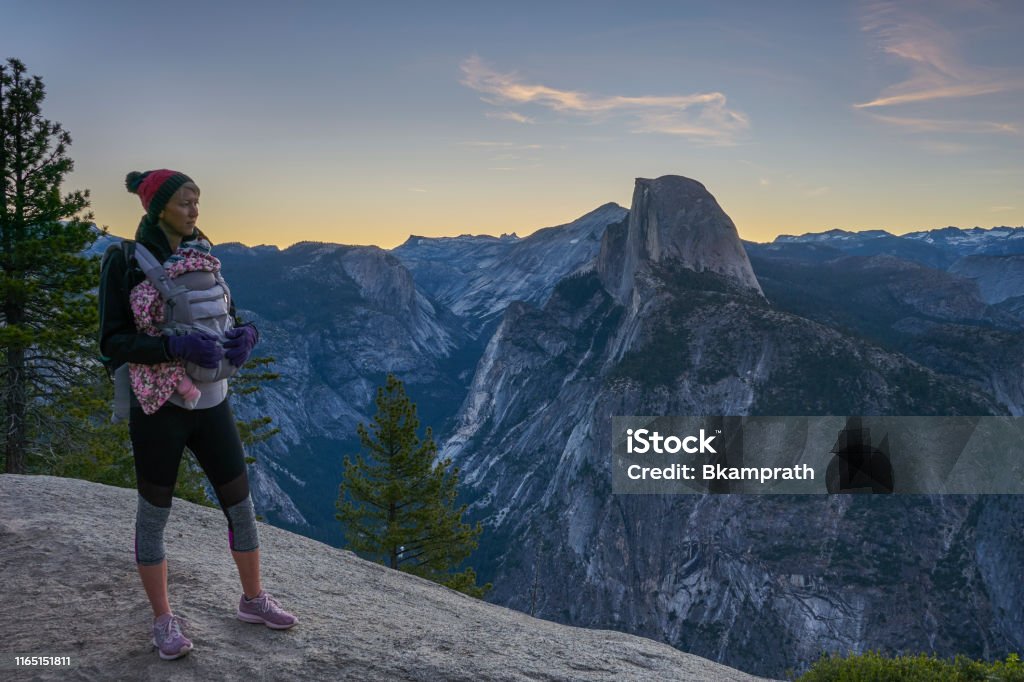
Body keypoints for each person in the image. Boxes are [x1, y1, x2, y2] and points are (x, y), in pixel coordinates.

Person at [99, 169, 297, 661]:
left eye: (197, 202)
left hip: (212, 401)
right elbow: (111, 342)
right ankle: (163, 620)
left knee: (241, 505)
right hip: (158, 408)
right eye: (186, 202)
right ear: (158, 207)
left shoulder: (202, 252)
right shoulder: (123, 261)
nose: (195, 211)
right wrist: (170, 344)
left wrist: (246, 335)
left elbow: (228, 312)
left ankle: (253, 600)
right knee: (154, 516)